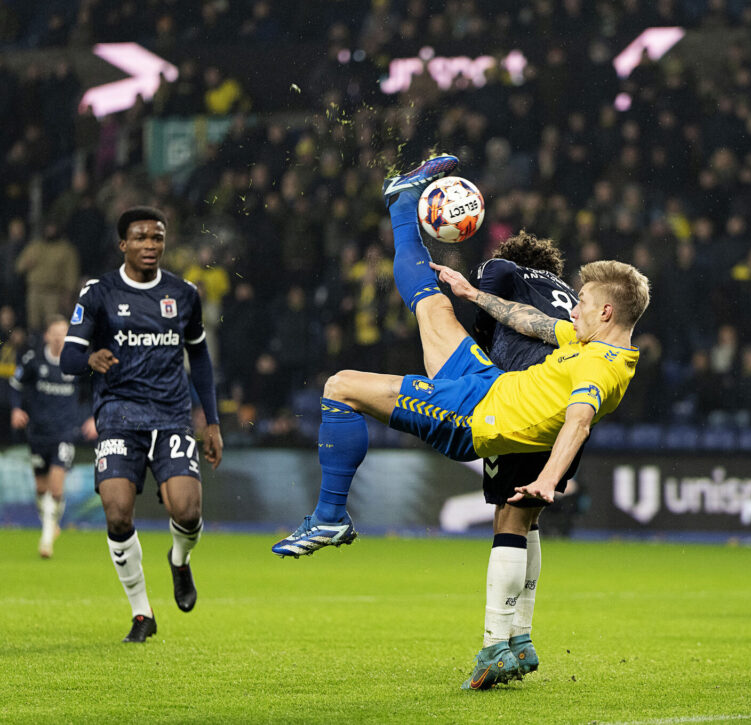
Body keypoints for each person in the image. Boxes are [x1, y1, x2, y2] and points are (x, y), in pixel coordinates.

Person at [270, 155, 649, 690]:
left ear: (607, 313)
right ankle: (404, 201)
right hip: (487, 383)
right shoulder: (587, 340)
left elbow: (579, 422)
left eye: (582, 304)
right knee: (432, 305)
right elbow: (537, 322)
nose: (574, 311)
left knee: (340, 387)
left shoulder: (601, 366)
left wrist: (546, 481)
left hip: (470, 415)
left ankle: (331, 516)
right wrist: (475, 296)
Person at [59, 206, 223, 643]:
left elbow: (200, 359)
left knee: (187, 512)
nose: (150, 245)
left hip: (171, 415)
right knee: (116, 513)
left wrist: (211, 421)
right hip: (118, 415)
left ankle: (180, 561)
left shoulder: (184, 294)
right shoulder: (98, 293)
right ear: (123, 245)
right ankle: (141, 613)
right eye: (141, 238)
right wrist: (90, 358)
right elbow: (68, 357)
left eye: (157, 238)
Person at [462, 232, 583, 689]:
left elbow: (483, 305)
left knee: (507, 518)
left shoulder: (505, 270)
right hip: (569, 403)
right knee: (529, 517)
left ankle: (495, 644)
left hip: (525, 399)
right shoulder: (567, 293)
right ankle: (521, 637)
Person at [9, 316, 96, 558]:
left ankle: (47, 538)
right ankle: (51, 524)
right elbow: (16, 385)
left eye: (63, 333)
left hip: (65, 433)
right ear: (47, 336)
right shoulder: (33, 360)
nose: (59, 337)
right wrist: (17, 409)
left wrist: (92, 417)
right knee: (41, 489)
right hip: (37, 433)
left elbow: (93, 389)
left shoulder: (77, 362)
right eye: (55, 333)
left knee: (56, 489)